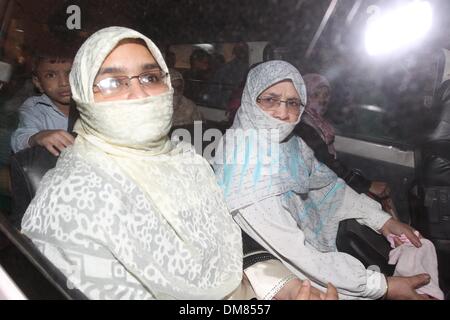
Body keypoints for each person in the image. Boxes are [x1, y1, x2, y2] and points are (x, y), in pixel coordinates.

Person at [20, 27, 337, 300]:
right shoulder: (69, 202)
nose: (139, 93)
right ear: (81, 95)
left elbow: (228, 234)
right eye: (112, 82)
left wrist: (284, 285)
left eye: (149, 76)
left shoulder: (186, 160)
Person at [213, 60, 431, 300]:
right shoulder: (242, 165)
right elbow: (296, 253)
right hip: (285, 276)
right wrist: (382, 286)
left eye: (293, 103)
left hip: (317, 258)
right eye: (270, 100)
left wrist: (382, 220)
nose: (283, 113)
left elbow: (328, 185)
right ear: (250, 101)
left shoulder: (290, 144)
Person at [294, 74, 397, 216]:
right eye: (316, 94)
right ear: (304, 96)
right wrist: (366, 185)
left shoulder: (319, 122)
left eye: (326, 94)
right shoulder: (303, 126)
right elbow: (326, 163)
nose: (323, 100)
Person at [10, 47, 75, 156]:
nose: (63, 83)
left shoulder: (94, 102)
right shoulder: (35, 107)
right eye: (51, 75)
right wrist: (38, 137)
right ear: (38, 82)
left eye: (70, 73)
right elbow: (19, 138)